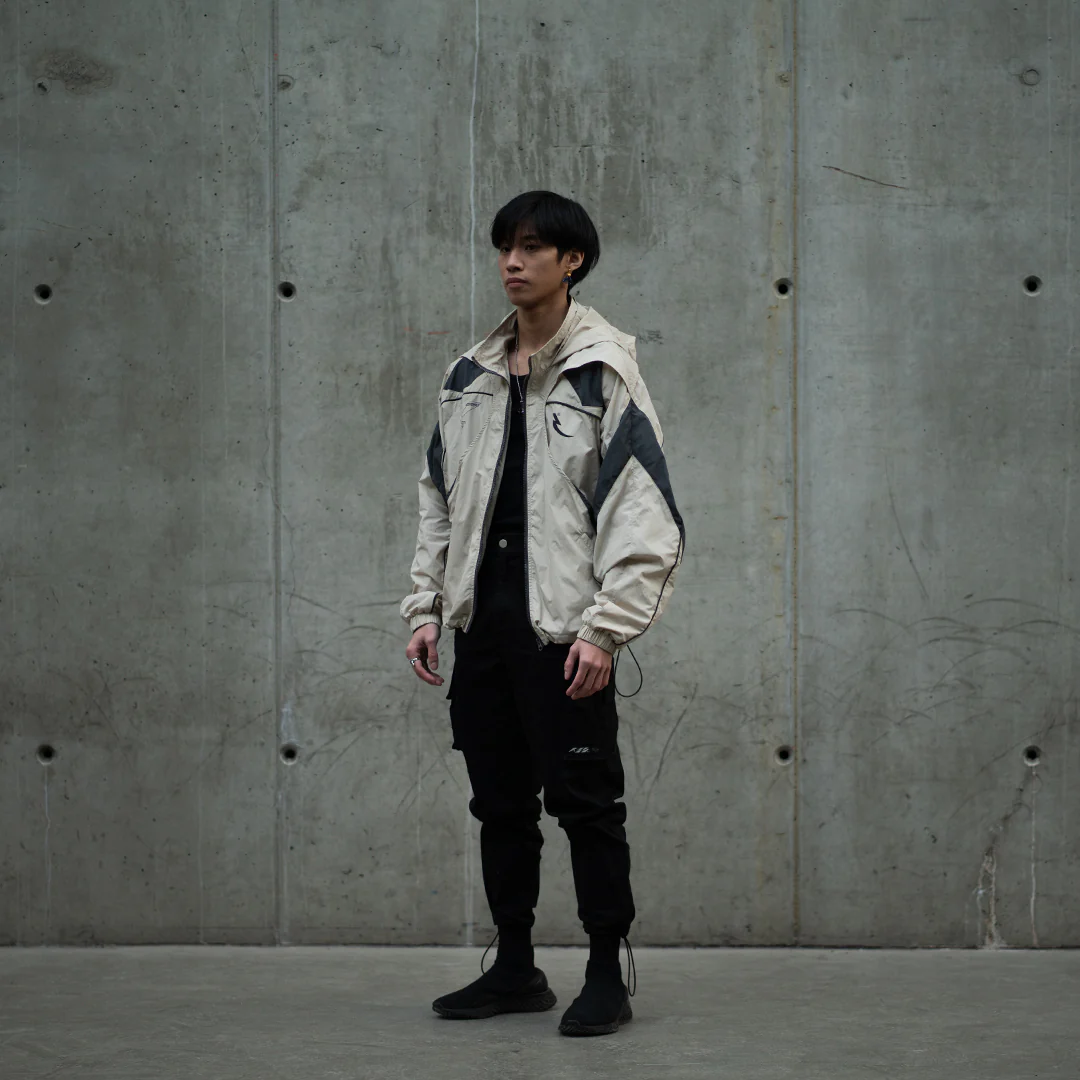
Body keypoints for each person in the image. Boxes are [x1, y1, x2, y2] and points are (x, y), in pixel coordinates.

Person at [400, 190, 685, 1037]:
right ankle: (516, 968)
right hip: (481, 632)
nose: (512, 262)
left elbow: (643, 510)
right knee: (500, 807)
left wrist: (606, 629)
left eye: (531, 248)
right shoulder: (470, 375)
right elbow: (438, 500)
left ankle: (605, 973)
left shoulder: (603, 373)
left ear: (573, 261)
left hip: (563, 636)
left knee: (587, 807)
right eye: (504, 247)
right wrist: (425, 606)